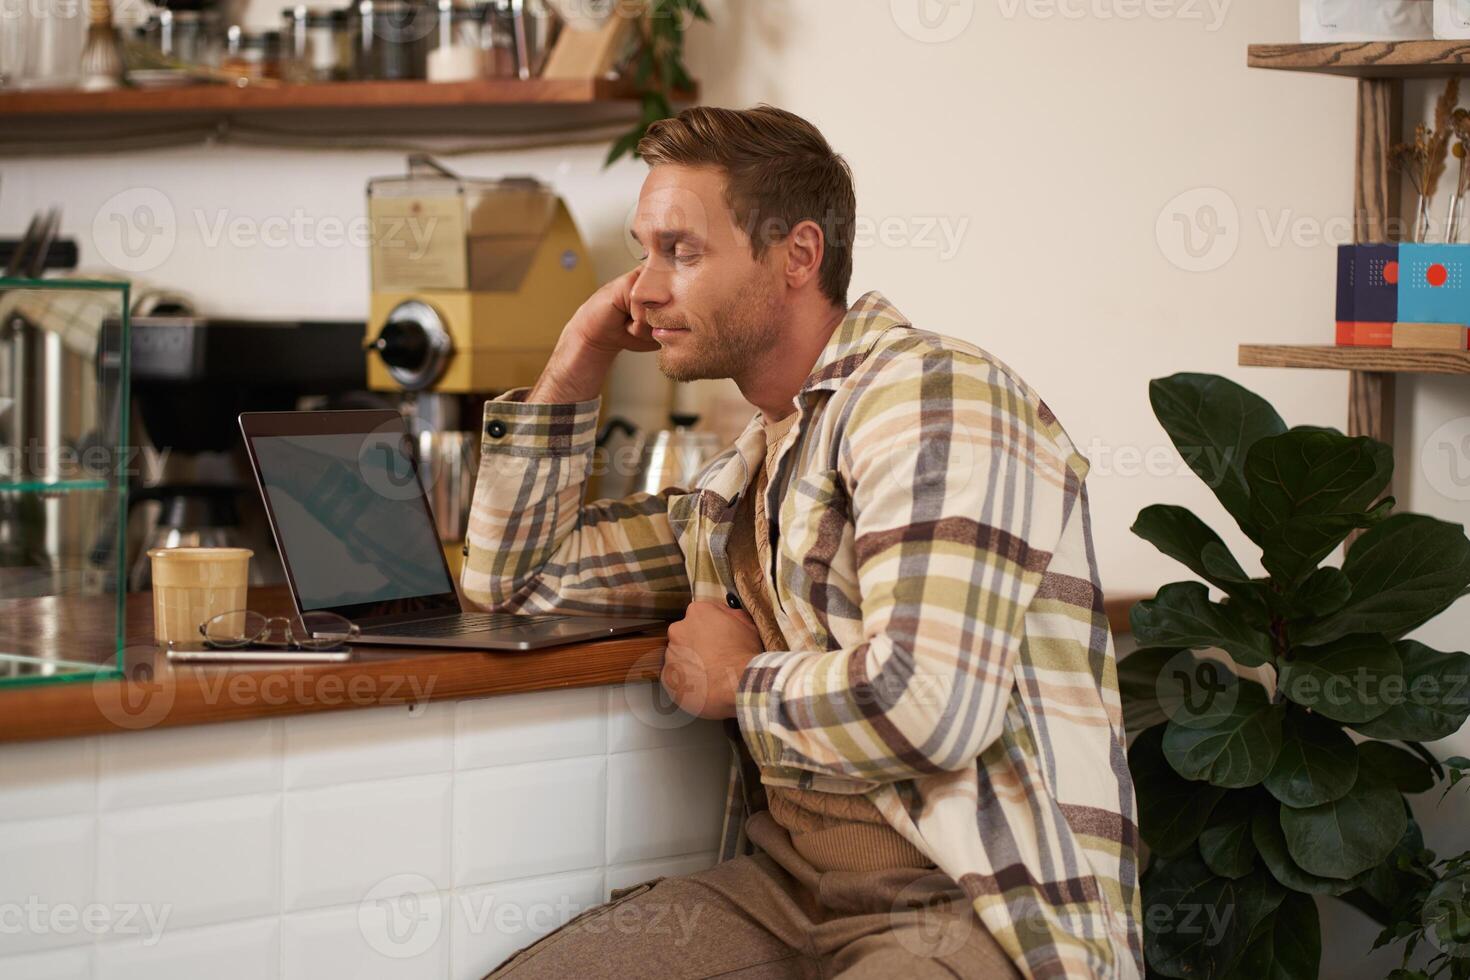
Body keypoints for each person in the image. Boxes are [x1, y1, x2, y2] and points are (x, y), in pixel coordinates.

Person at [462, 103, 1142, 980]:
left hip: (972, 903)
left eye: (682, 250)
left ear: (798, 255)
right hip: (789, 895)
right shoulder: (742, 479)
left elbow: (929, 705)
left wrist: (740, 683)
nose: (643, 289)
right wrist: (573, 362)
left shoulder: (936, 401)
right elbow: (516, 584)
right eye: (644, 251)